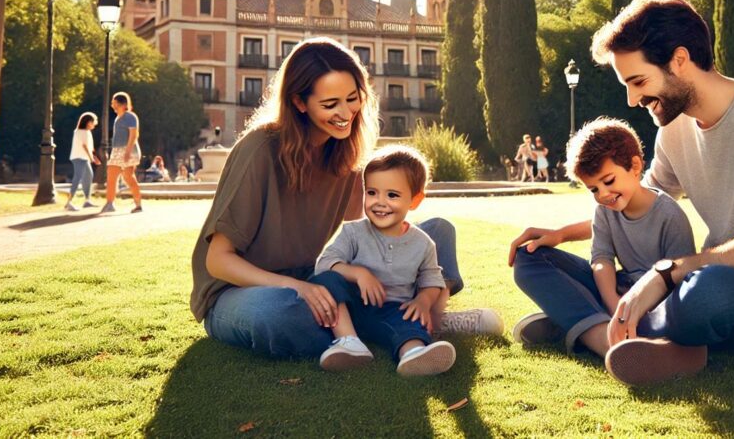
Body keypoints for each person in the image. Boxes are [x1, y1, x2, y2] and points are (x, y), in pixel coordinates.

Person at [508, 0, 734, 386]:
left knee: (708, 292)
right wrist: (562, 234)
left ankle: (583, 322)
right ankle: (610, 334)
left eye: (638, 81)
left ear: (679, 61)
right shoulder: (674, 131)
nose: (633, 100)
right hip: (698, 279)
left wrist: (669, 273)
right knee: (534, 258)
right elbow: (636, 201)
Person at [190, 37, 501, 362]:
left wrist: (355, 271)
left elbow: (367, 239)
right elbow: (218, 260)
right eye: (330, 104)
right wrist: (297, 287)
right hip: (240, 292)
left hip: (319, 279)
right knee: (283, 313)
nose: (345, 114)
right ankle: (399, 326)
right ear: (299, 102)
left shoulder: (348, 154)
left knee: (437, 231)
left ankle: (430, 316)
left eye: (352, 99)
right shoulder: (260, 149)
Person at [512, 118, 694, 362]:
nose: (604, 194)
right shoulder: (604, 211)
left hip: (654, 303)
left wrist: (630, 308)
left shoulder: (670, 215)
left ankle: (576, 322)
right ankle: (599, 327)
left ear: (635, 166)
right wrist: (614, 305)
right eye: (594, 189)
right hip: (616, 293)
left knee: (677, 315)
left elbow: (680, 281)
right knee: (528, 258)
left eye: (608, 181)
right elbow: (601, 260)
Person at [310, 145, 457, 376]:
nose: (380, 202)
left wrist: (423, 302)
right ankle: (349, 342)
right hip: (351, 307)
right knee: (328, 279)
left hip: (393, 309)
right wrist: (359, 273)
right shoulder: (353, 232)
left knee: (410, 321)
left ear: (415, 200)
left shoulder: (423, 243)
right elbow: (325, 262)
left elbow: (432, 279)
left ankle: (413, 354)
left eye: (392, 195)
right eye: (372, 193)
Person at [102, 92, 143, 214]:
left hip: (127, 149)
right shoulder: (117, 118)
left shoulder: (130, 116)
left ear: (122, 104)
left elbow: (134, 134)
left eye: (114, 102)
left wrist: (128, 151)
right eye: (112, 103)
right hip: (118, 150)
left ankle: (113, 204)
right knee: (120, 176)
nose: (112, 105)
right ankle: (113, 203)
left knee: (120, 175)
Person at [65, 112, 100, 211]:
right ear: (88, 122)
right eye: (94, 122)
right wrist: (92, 158)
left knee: (88, 176)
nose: (95, 124)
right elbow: (84, 146)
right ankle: (69, 203)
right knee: (77, 178)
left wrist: (93, 157)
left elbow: (90, 147)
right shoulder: (81, 132)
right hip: (79, 157)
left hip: (83, 158)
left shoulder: (87, 132)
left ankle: (87, 201)